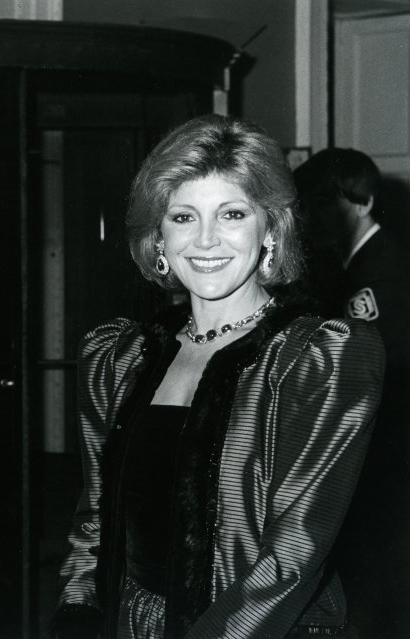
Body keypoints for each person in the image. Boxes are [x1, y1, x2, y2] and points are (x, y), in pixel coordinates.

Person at [49, 115, 385, 639]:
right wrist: (77, 616)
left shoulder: (317, 357)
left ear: (271, 229)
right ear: (157, 236)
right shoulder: (119, 358)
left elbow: (293, 554)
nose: (205, 241)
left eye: (232, 214)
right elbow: (93, 520)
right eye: (183, 217)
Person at [295, 148, 410, 638]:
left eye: (324, 203)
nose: (312, 217)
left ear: (362, 203)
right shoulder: (350, 266)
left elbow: (364, 378)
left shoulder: (381, 273)